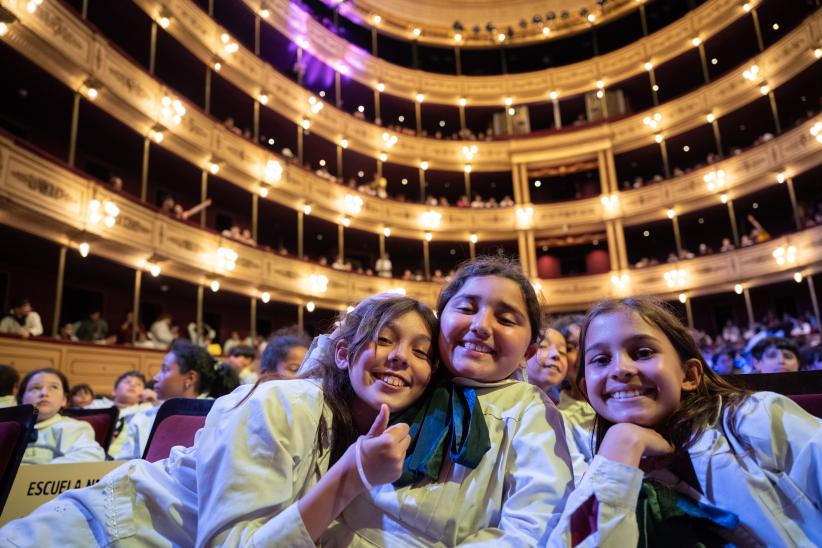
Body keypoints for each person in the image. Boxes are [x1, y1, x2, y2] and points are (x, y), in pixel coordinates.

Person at [2, 295, 438, 546]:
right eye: (384, 340)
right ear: (342, 354)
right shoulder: (285, 402)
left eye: (421, 351)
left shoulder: (377, 436)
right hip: (96, 536)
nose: (402, 356)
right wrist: (352, 475)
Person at [315, 256, 572, 545]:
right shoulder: (409, 380)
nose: (481, 326)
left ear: (528, 353)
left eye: (505, 319)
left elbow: (534, 526)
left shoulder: (530, 410)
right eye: (466, 308)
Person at [550, 297, 822, 546]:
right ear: (586, 390)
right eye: (601, 359)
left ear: (689, 375)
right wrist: (621, 447)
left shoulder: (754, 417)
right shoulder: (585, 458)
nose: (620, 369)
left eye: (643, 353)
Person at [115, 341, 239, 460]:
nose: (156, 377)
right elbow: (122, 468)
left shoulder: (218, 415)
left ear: (190, 378)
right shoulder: (142, 418)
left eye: (165, 370)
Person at [17, 368, 105, 464]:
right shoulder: (9, 427)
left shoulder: (73, 427)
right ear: (21, 398)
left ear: (64, 400)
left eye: (54, 387)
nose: (44, 393)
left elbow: (90, 456)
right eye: (36, 387)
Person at [85, 371, 154, 457]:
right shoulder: (96, 406)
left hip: (125, 462)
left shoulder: (146, 410)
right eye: (128, 382)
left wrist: (154, 399)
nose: (133, 385)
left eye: (138, 385)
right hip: (90, 456)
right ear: (114, 391)